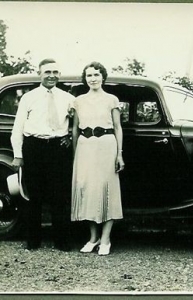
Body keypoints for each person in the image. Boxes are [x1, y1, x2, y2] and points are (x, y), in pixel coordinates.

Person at [11, 58, 75, 251]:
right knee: (34, 195)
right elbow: (18, 128)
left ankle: (61, 241)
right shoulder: (28, 98)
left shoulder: (67, 98)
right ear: (39, 73)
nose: (51, 76)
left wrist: (70, 138)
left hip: (57, 148)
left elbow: (75, 124)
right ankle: (33, 240)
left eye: (55, 72)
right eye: (47, 72)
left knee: (59, 195)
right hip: (34, 147)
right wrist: (18, 154)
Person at [71, 61, 124, 256]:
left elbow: (118, 128)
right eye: (89, 75)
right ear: (85, 79)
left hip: (107, 145)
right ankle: (93, 238)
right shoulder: (79, 101)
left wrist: (119, 154)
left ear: (103, 76)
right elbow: (75, 129)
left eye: (96, 74)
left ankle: (105, 239)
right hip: (85, 146)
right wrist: (75, 154)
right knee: (87, 190)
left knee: (106, 189)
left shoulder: (111, 99)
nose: (92, 78)